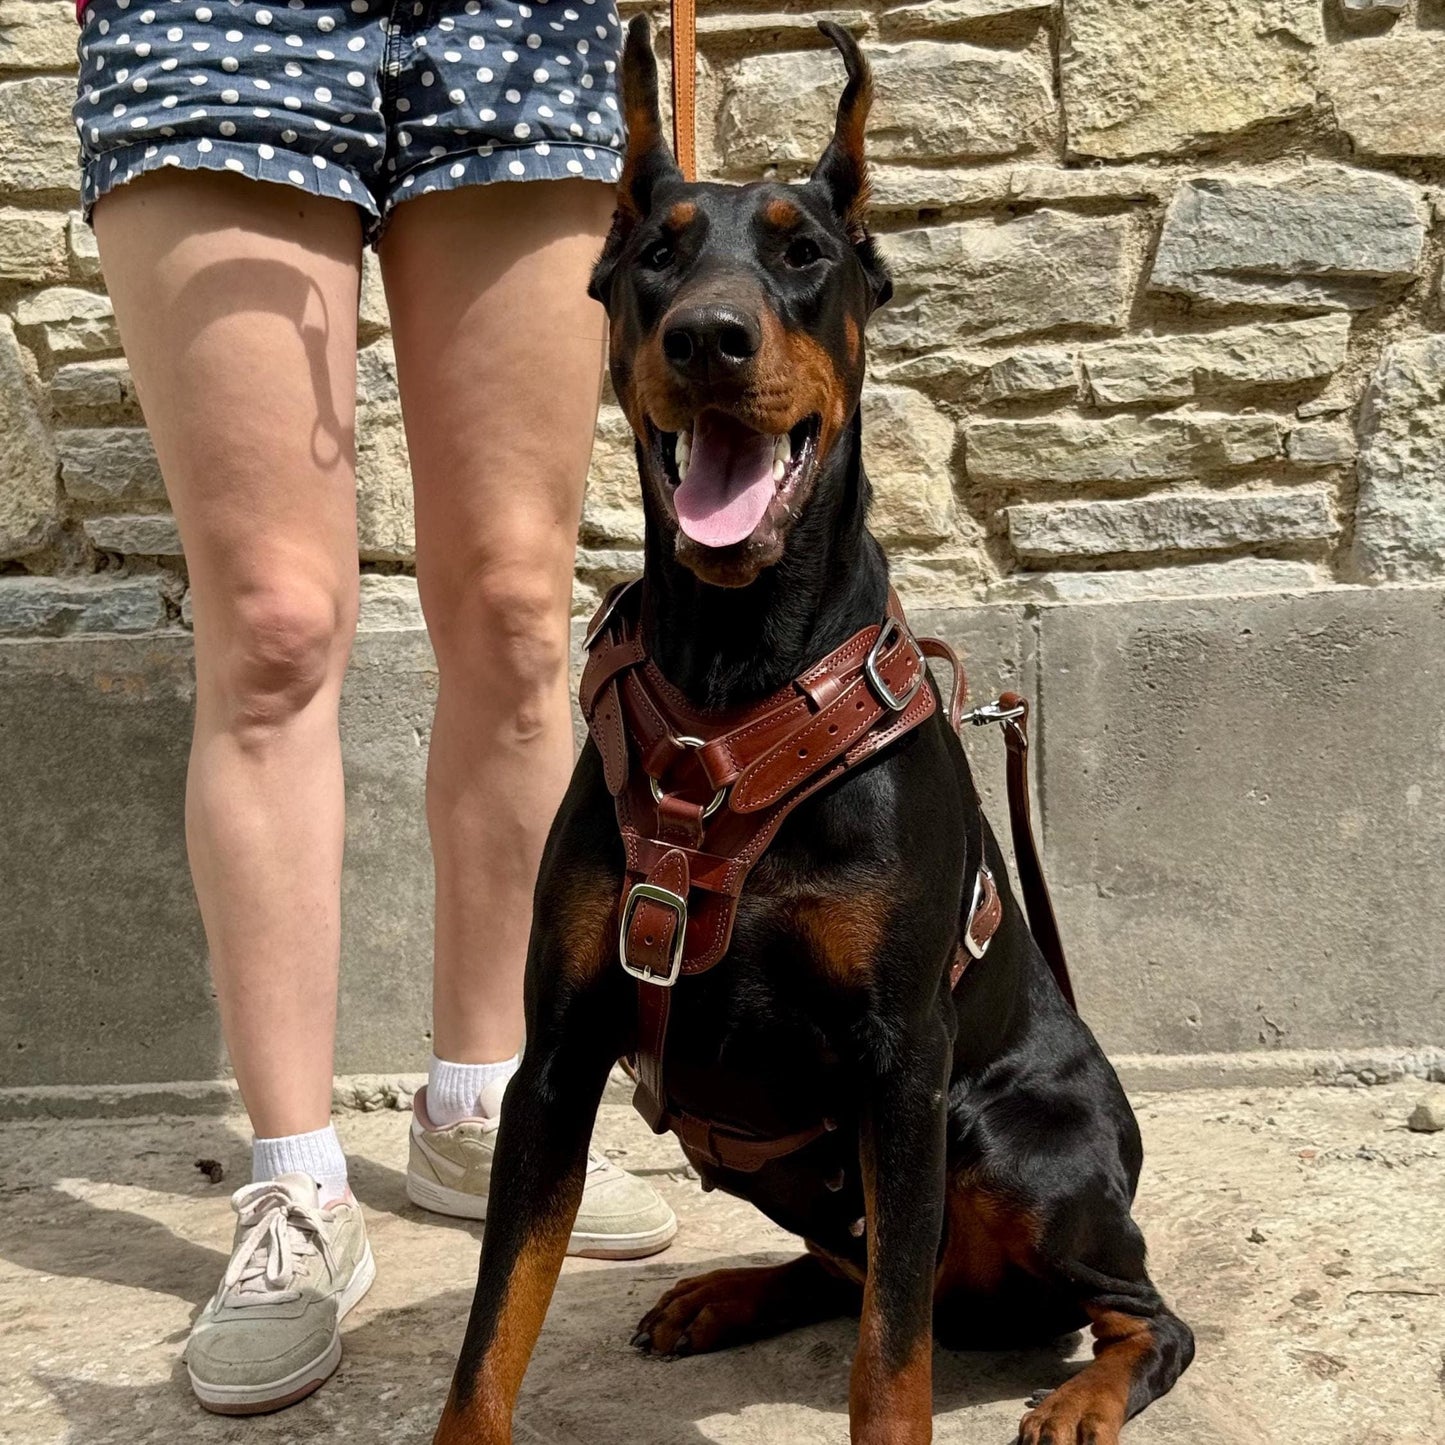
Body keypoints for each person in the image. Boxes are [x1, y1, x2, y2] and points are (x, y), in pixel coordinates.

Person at [73, 0, 675, 1416]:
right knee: (273, 629)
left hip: (518, 27)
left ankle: (485, 1107)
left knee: (517, 609)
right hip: (217, 20)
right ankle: (293, 1187)